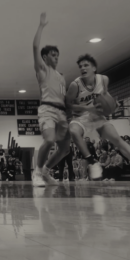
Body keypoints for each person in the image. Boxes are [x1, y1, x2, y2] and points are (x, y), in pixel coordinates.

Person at [48, 52, 130, 183]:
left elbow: (105, 96)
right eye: (80, 66)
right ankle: (92, 162)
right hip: (80, 116)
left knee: (116, 139)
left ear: (94, 68)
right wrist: (87, 108)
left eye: (86, 65)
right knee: (67, 143)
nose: (82, 68)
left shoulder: (103, 80)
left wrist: (112, 106)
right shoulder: (75, 85)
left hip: (96, 116)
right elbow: (68, 104)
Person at [30, 12, 104, 187]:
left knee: (64, 149)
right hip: (47, 109)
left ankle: (46, 171)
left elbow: (67, 102)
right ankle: (37, 172)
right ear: (45, 57)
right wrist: (41, 26)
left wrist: (85, 109)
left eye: (57, 55)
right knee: (49, 140)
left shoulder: (62, 77)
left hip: (62, 113)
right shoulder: (42, 70)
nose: (56, 57)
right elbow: (34, 47)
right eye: (53, 55)